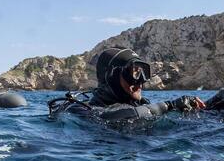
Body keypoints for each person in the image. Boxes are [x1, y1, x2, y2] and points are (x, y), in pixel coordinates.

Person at [49, 47, 205, 124]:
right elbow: (105, 117)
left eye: (144, 73)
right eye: (135, 73)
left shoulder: (143, 106)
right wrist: (169, 105)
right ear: (113, 76)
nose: (141, 81)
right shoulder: (79, 109)